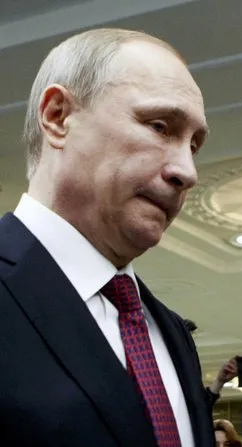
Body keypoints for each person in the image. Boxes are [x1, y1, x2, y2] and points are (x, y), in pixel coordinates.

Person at [0, 28, 212, 446]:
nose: (187, 172)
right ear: (58, 117)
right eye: (160, 126)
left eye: (194, 145)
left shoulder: (170, 331)